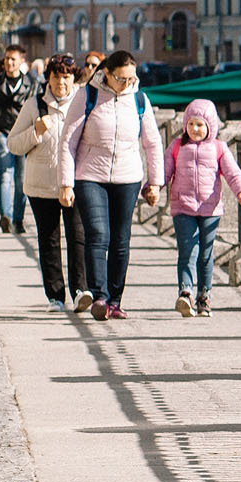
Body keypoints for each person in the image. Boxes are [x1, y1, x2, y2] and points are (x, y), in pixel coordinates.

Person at [63, 49, 162, 320]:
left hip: (127, 178)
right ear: (106, 73)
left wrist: (156, 182)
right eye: (121, 78)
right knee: (97, 235)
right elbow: (68, 141)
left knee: (121, 240)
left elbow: (152, 143)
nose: (126, 84)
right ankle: (100, 296)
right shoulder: (87, 95)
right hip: (90, 176)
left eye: (131, 79)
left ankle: (115, 300)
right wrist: (65, 183)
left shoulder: (140, 99)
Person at [5, 55, 88, 311]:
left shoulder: (83, 103)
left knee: (78, 237)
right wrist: (35, 132)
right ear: (48, 78)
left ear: (74, 79)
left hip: (74, 184)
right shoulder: (34, 105)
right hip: (41, 185)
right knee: (49, 240)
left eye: (66, 77)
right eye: (56, 76)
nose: (61, 82)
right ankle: (55, 296)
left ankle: (80, 291)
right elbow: (13, 144)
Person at [164, 99, 241, 317]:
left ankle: (204, 296)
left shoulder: (219, 148)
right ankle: (185, 293)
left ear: (210, 126)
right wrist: (153, 187)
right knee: (187, 250)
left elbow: (232, 172)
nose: (195, 129)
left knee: (205, 254)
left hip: (210, 209)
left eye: (200, 125)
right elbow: (164, 171)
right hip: (183, 206)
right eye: (191, 124)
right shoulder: (176, 146)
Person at [0, 46, 40, 234]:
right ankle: (5, 217)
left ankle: (18, 219)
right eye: (7, 59)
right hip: (3, 134)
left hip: (23, 135)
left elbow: (37, 109)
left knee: (21, 179)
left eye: (13, 59)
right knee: (5, 176)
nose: (9, 62)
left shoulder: (31, 84)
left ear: (21, 61)